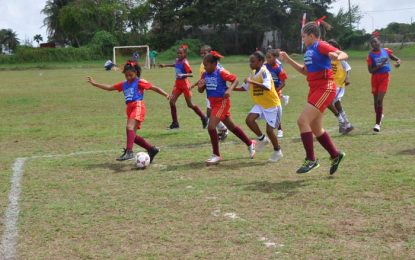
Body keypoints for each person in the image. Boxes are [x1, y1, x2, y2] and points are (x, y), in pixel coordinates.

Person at [279, 22, 347, 175]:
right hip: (315, 89)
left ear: (311, 36)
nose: (302, 39)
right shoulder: (309, 50)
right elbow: (305, 71)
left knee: (302, 121)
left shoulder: (320, 45)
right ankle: (335, 155)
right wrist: (288, 60)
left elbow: (342, 54)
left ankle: (311, 160)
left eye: (303, 36)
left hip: (325, 87)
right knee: (316, 128)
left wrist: (337, 56)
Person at [86, 61, 170, 162]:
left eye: (131, 75)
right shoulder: (124, 84)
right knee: (132, 136)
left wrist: (166, 94)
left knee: (129, 127)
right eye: (126, 75)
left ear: (136, 73)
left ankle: (129, 152)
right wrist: (95, 84)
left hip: (138, 105)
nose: (128, 77)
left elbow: (154, 88)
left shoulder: (139, 81)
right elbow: (109, 87)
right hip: (129, 108)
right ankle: (151, 149)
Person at [198, 52, 256, 165]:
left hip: (222, 103)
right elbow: (201, 90)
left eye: (206, 65)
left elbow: (235, 80)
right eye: (204, 65)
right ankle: (250, 143)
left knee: (211, 127)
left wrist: (229, 90)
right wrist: (200, 87)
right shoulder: (205, 75)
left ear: (214, 64)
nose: (204, 67)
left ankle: (216, 155)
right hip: (213, 103)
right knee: (232, 127)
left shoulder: (221, 73)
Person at [234, 51, 283, 162]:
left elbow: (267, 86)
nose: (250, 64)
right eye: (250, 61)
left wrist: (251, 81)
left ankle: (277, 151)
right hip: (261, 104)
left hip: (272, 105)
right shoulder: (252, 73)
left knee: (270, 131)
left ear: (260, 62)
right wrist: (231, 89)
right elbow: (245, 87)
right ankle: (262, 138)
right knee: (249, 120)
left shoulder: (264, 72)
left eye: (253, 61)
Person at [160, 44, 208, 129]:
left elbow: (191, 74)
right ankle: (175, 123)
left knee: (190, 104)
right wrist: (165, 65)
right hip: (178, 84)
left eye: (181, 53)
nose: (179, 55)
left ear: (185, 54)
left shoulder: (185, 62)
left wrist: (183, 74)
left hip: (185, 85)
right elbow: (175, 64)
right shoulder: (177, 60)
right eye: (178, 53)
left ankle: (203, 117)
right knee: (172, 102)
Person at [191, 45, 229, 141]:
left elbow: (223, 75)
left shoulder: (216, 65)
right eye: (201, 53)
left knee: (210, 113)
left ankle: (223, 129)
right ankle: (222, 129)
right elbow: (203, 78)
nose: (203, 54)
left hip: (217, 92)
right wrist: (195, 84)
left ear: (210, 52)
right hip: (209, 91)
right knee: (214, 114)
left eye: (205, 52)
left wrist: (228, 88)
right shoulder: (203, 64)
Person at [367, 36, 401, 133]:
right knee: (375, 101)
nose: (374, 44)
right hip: (375, 79)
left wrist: (398, 62)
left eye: (375, 42)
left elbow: (397, 59)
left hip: (385, 78)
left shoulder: (386, 51)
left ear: (379, 42)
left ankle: (377, 124)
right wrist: (380, 65)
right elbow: (370, 70)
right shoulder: (370, 55)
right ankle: (379, 114)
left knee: (379, 100)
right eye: (372, 43)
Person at [326, 39, 354, 134]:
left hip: (339, 84)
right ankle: (346, 124)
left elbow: (348, 68)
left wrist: (347, 78)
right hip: (331, 84)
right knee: (336, 104)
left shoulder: (339, 58)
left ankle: (343, 122)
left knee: (328, 101)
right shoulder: (328, 58)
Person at [265, 49, 288, 138]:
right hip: (266, 92)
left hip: (275, 92)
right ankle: (273, 129)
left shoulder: (279, 69)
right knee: (268, 111)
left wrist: (276, 91)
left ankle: (279, 129)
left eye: (269, 57)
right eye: (266, 57)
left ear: (275, 58)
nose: (267, 59)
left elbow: (283, 83)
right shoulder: (264, 67)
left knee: (275, 111)